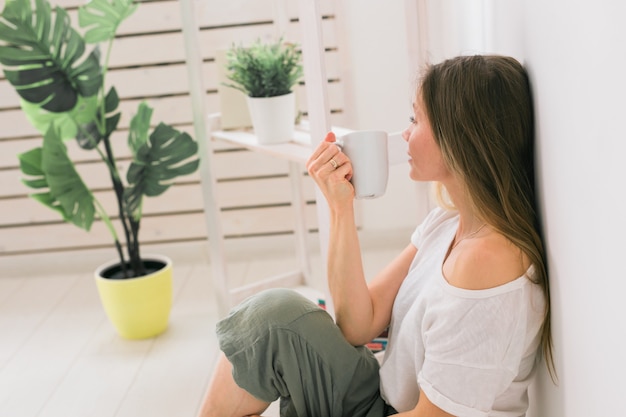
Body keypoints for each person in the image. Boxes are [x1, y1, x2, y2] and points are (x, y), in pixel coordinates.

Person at [197, 54, 554, 417]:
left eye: (416, 119)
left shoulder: (487, 263)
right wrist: (341, 208)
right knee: (274, 318)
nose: (405, 133)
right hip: (381, 399)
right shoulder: (445, 225)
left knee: (275, 323)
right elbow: (357, 324)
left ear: (460, 138)